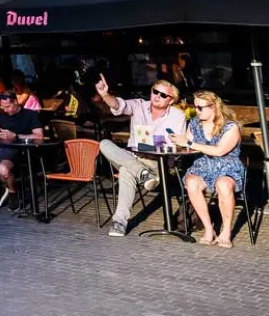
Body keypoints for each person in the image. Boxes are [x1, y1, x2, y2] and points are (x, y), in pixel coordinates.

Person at [96, 74, 186, 237]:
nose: (157, 96)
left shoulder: (177, 116)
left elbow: (176, 144)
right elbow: (118, 105)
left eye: (163, 95)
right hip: (133, 156)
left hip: (157, 163)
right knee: (104, 144)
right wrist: (104, 95)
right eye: (155, 92)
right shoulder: (139, 106)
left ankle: (119, 222)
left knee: (125, 171)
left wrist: (153, 142)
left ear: (171, 100)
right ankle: (141, 173)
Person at [171, 91, 245, 247]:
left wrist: (189, 144)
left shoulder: (231, 126)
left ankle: (226, 231)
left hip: (227, 166)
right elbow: (187, 146)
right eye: (195, 106)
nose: (196, 111)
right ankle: (208, 228)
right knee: (191, 182)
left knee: (223, 185)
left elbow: (219, 151)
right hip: (202, 165)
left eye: (200, 107)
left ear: (213, 107)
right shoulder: (194, 124)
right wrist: (177, 143)